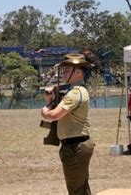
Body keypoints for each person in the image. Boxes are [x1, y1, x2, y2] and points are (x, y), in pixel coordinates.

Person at [40, 53, 94, 194]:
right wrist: (50, 100)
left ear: (78, 72)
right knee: (81, 189)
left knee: (75, 190)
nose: (64, 73)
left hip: (75, 147)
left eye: (67, 70)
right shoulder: (77, 91)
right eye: (64, 70)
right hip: (75, 145)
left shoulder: (74, 93)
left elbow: (53, 115)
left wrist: (44, 110)